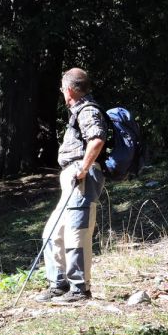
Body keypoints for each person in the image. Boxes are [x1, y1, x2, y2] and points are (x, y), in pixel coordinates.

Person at [35, 68, 107, 304]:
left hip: (81, 177)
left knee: (77, 233)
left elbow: (97, 139)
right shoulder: (78, 111)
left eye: (62, 89)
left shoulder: (87, 109)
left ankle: (80, 289)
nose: (61, 94)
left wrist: (83, 169)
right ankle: (58, 284)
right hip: (73, 178)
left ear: (69, 89)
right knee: (53, 232)